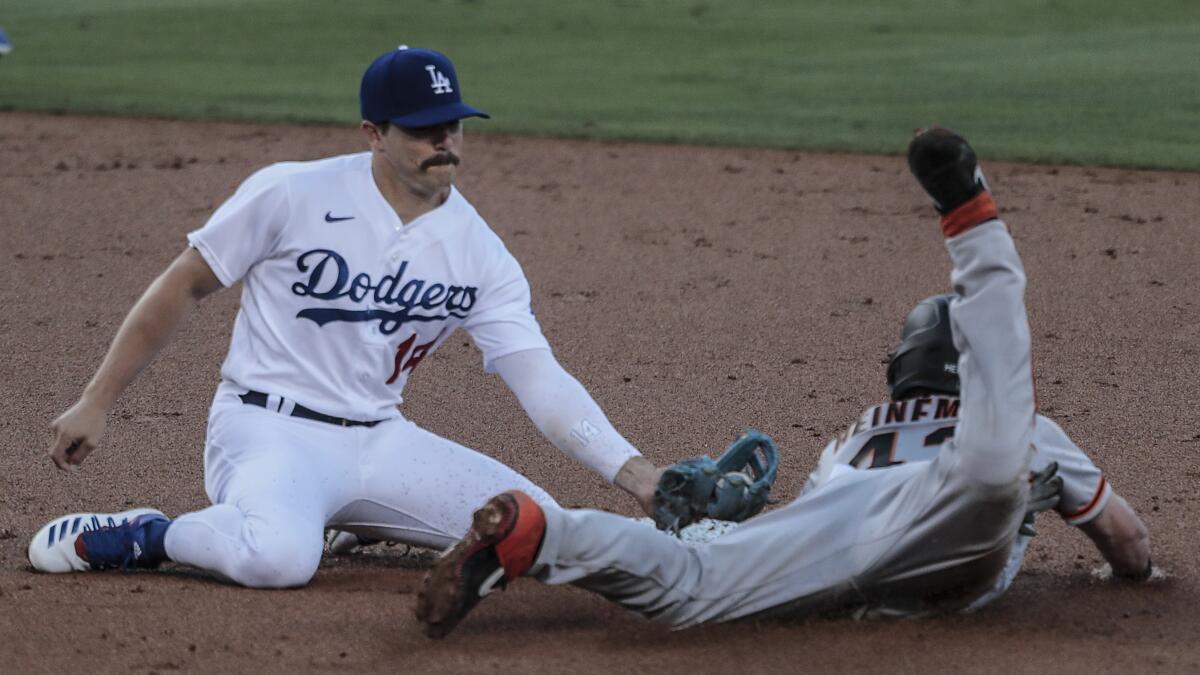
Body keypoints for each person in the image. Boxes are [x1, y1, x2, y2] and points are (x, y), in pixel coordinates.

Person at [414, 128, 1154, 638]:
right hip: (954, 512)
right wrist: (1135, 573)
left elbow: (807, 517)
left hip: (842, 519)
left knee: (694, 582)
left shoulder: (859, 434)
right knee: (997, 455)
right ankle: (974, 218)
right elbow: (1127, 541)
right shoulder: (1035, 434)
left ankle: (545, 534)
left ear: (901, 373)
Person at [28, 46, 665, 588]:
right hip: (266, 429)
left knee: (532, 533)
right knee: (278, 558)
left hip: (380, 438)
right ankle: (152, 536)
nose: (443, 143)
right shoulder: (292, 192)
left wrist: (632, 470)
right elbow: (182, 286)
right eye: (422, 130)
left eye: (453, 125)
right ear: (373, 134)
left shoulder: (480, 253)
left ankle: (354, 518)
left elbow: (538, 378)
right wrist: (98, 399)